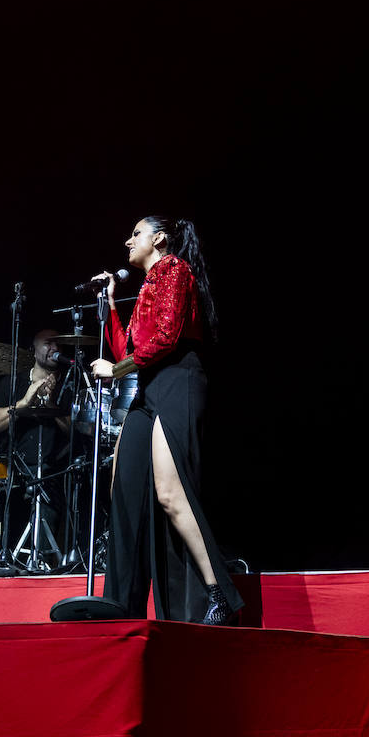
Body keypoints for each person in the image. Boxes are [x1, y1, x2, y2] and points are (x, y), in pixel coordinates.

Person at [89, 216, 242, 625]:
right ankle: (121, 604)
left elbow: (167, 337)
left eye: (135, 233)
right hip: (151, 383)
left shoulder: (174, 269)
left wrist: (117, 371)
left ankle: (218, 593)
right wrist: (109, 306)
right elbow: (129, 348)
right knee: (123, 487)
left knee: (170, 496)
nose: (127, 241)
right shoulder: (144, 288)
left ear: (158, 238)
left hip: (179, 378)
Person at [0, 328, 74, 560]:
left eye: (58, 344)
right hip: (12, 471)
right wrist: (23, 404)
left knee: (45, 549)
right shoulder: (13, 380)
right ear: (34, 350)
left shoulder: (69, 384)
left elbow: (78, 431)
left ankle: (44, 563)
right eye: (48, 343)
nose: (55, 348)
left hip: (53, 474)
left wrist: (51, 404)